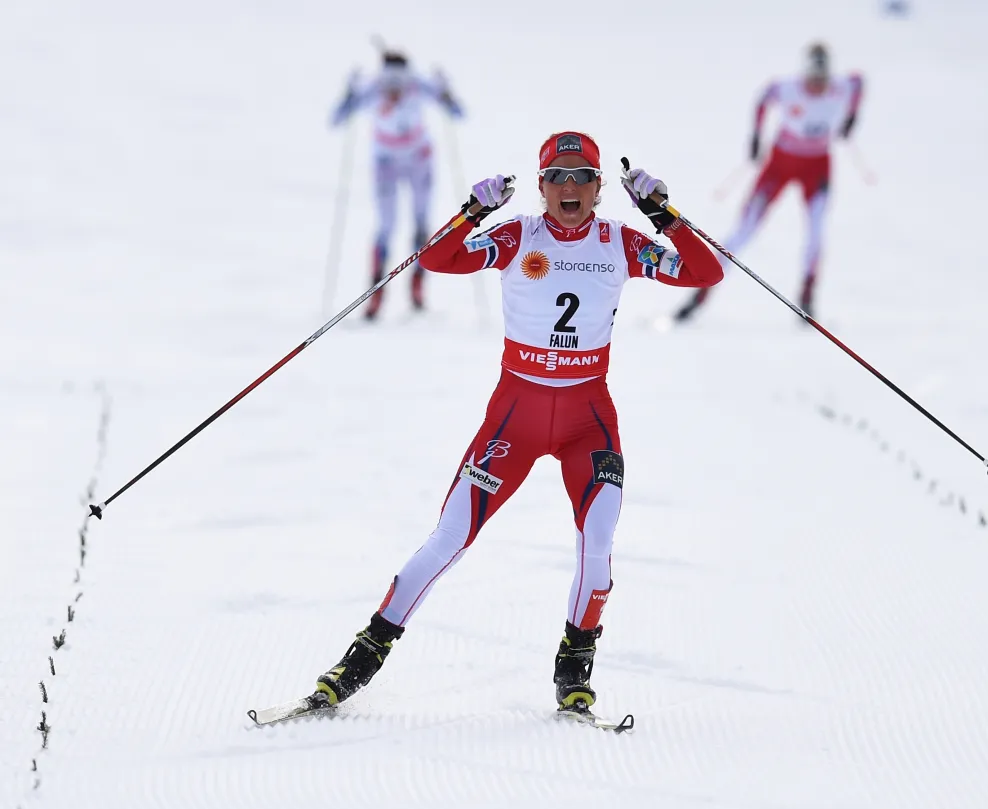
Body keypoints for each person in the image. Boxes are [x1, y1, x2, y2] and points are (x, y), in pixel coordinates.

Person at [313, 132, 724, 717]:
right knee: (449, 538)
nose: (569, 188)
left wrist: (664, 214)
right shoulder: (519, 236)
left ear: (599, 188)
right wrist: (473, 211)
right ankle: (361, 657)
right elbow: (437, 259)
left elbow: (706, 273)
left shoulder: (619, 241)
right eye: (557, 178)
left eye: (582, 177)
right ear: (540, 187)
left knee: (599, 545)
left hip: (588, 421)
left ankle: (574, 670)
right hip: (515, 418)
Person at [675, 42, 863, 322]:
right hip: (780, 164)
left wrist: (852, 118)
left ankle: (807, 299)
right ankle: (701, 293)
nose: (818, 86)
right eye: (813, 80)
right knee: (743, 231)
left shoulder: (841, 87)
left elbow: (859, 83)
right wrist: (755, 136)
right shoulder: (789, 88)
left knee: (816, 232)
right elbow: (765, 97)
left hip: (817, 167)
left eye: (822, 80)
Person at [330, 50, 464, 319]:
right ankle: (376, 293)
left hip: (419, 160)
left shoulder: (417, 83)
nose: (394, 88)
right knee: (386, 226)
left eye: (399, 81)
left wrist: (445, 90)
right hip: (386, 162)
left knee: (421, 222)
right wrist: (349, 93)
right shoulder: (373, 86)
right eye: (389, 80)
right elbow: (337, 119)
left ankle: (418, 288)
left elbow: (457, 112)